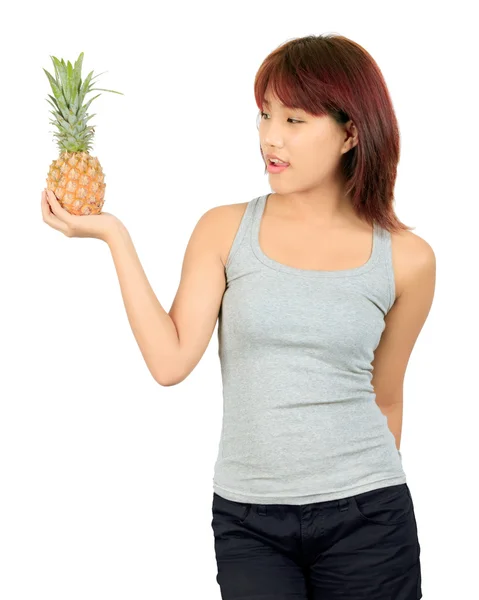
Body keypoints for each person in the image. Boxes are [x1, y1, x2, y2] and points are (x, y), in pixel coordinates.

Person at [41, 33, 435, 600]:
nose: (270, 137)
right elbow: (170, 361)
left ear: (352, 132)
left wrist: (354, 490)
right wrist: (113, 234)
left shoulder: (407, 259)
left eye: (295, 120)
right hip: (250, 520)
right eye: (264, 114)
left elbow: (388, 394)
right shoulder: (225, 229)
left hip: (369, 516)